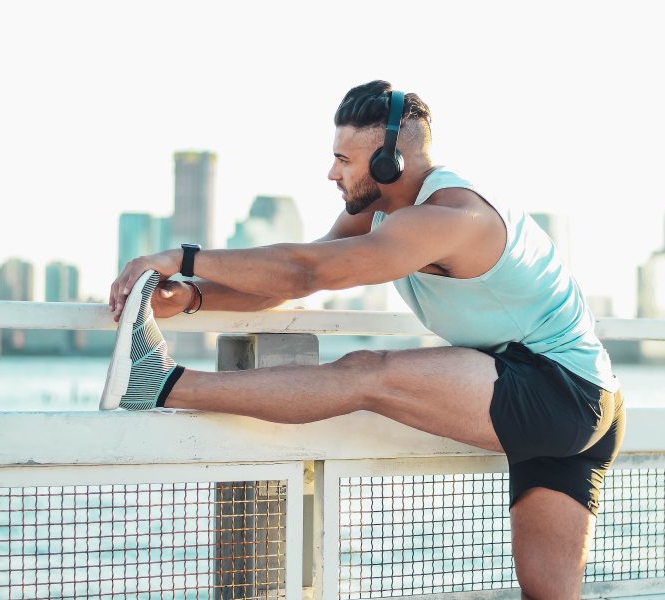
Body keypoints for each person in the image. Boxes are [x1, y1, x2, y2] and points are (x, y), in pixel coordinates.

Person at [105, 80, 625, 599]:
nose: (332, 172)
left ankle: (162, 384)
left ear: (388, 163)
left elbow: (305, 273)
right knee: (549, 594)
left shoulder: (450, 219)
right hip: (582, 401)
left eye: (343, 159)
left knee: (364, 374)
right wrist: (194, 297)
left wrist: (181, 258)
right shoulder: (377, 213)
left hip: (560, 391)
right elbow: (289, 277)